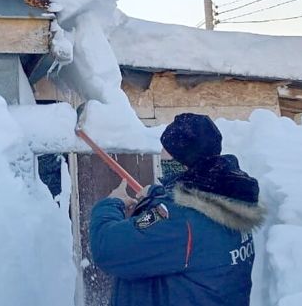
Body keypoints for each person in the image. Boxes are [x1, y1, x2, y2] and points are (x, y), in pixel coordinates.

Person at [89, 113, 266, 306]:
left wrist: (111, 204)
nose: (162, 156)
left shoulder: (179, 223)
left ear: (182, 163)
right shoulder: (230, 201)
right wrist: (157, 195)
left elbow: (107, 248)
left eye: (167, 154)